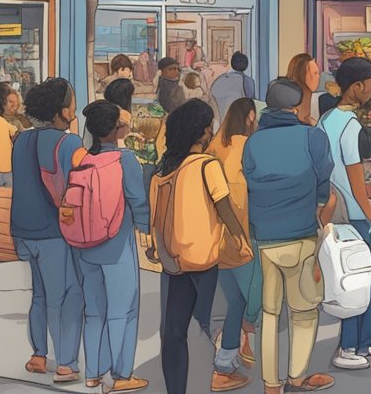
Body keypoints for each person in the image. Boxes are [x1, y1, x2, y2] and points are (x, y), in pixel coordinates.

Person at [149, 99, 252, 394]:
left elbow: (155, 217)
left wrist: (157, 248)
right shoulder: (207, 165)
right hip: (203, 258)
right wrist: (241, 240)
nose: (210, 133)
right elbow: (224, 209)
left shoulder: (163, 169)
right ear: (199, 131)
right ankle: (214, 375)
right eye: (208, 128)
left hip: (172, 259)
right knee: (201, 324)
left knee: (174, 332)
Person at [242, 78, 336, 394]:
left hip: (266, 238)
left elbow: (250, 183)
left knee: (270, 313)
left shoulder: (252, 143)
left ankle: (271, 385)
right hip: (302, 235)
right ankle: (296, 378)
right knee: (304, 311)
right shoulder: (312, 137)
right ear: (297, 106)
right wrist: (319, 205)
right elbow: (324, 181)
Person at [319, 58, 371, 372]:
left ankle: (362, 344)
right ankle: (350, 346)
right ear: (357, 87)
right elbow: (357, 184)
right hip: (358, 217)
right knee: (364, 282)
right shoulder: (352, 128)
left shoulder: (326, 119)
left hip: (336, 212)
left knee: (350, 280)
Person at [11, 77, 84, 384]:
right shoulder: (68, 143)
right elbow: (76, 187)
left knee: (40, 294)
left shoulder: (22, 139)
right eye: (71, 101)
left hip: (23, 228)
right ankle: (66, 363)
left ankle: (39, 355)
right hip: (55, 230)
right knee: (66, 295)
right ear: (63, 111)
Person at [76, 101, 150, 393]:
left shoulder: (83, 159)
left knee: (94, 312)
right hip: (117, 242)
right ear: (115, 129)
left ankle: (93, 373)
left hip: (85, 244)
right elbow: (137, 200)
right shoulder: (125, 159)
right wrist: (145, 230)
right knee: (124, 310)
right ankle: (120, 375)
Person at [207, 98, 262, 379]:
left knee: (235, 299)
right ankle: (232, 349)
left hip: (215, 234)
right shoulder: (251, 146)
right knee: (253, 295)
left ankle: (228, 351)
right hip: (242, 232)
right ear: (251, 115)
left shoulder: (215, 146)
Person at [211, 53, 257, 124]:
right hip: (241, 123)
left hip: (222, 123)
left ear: (232, 63)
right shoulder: (248, 81)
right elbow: (251, 102)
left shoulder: (220, 80)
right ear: (246, 65)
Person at [286, 53, 321, 126]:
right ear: (302, 74)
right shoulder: (287, 97)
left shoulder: (318, 98)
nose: (318, 77)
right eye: (315, 73)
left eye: (318, 73)